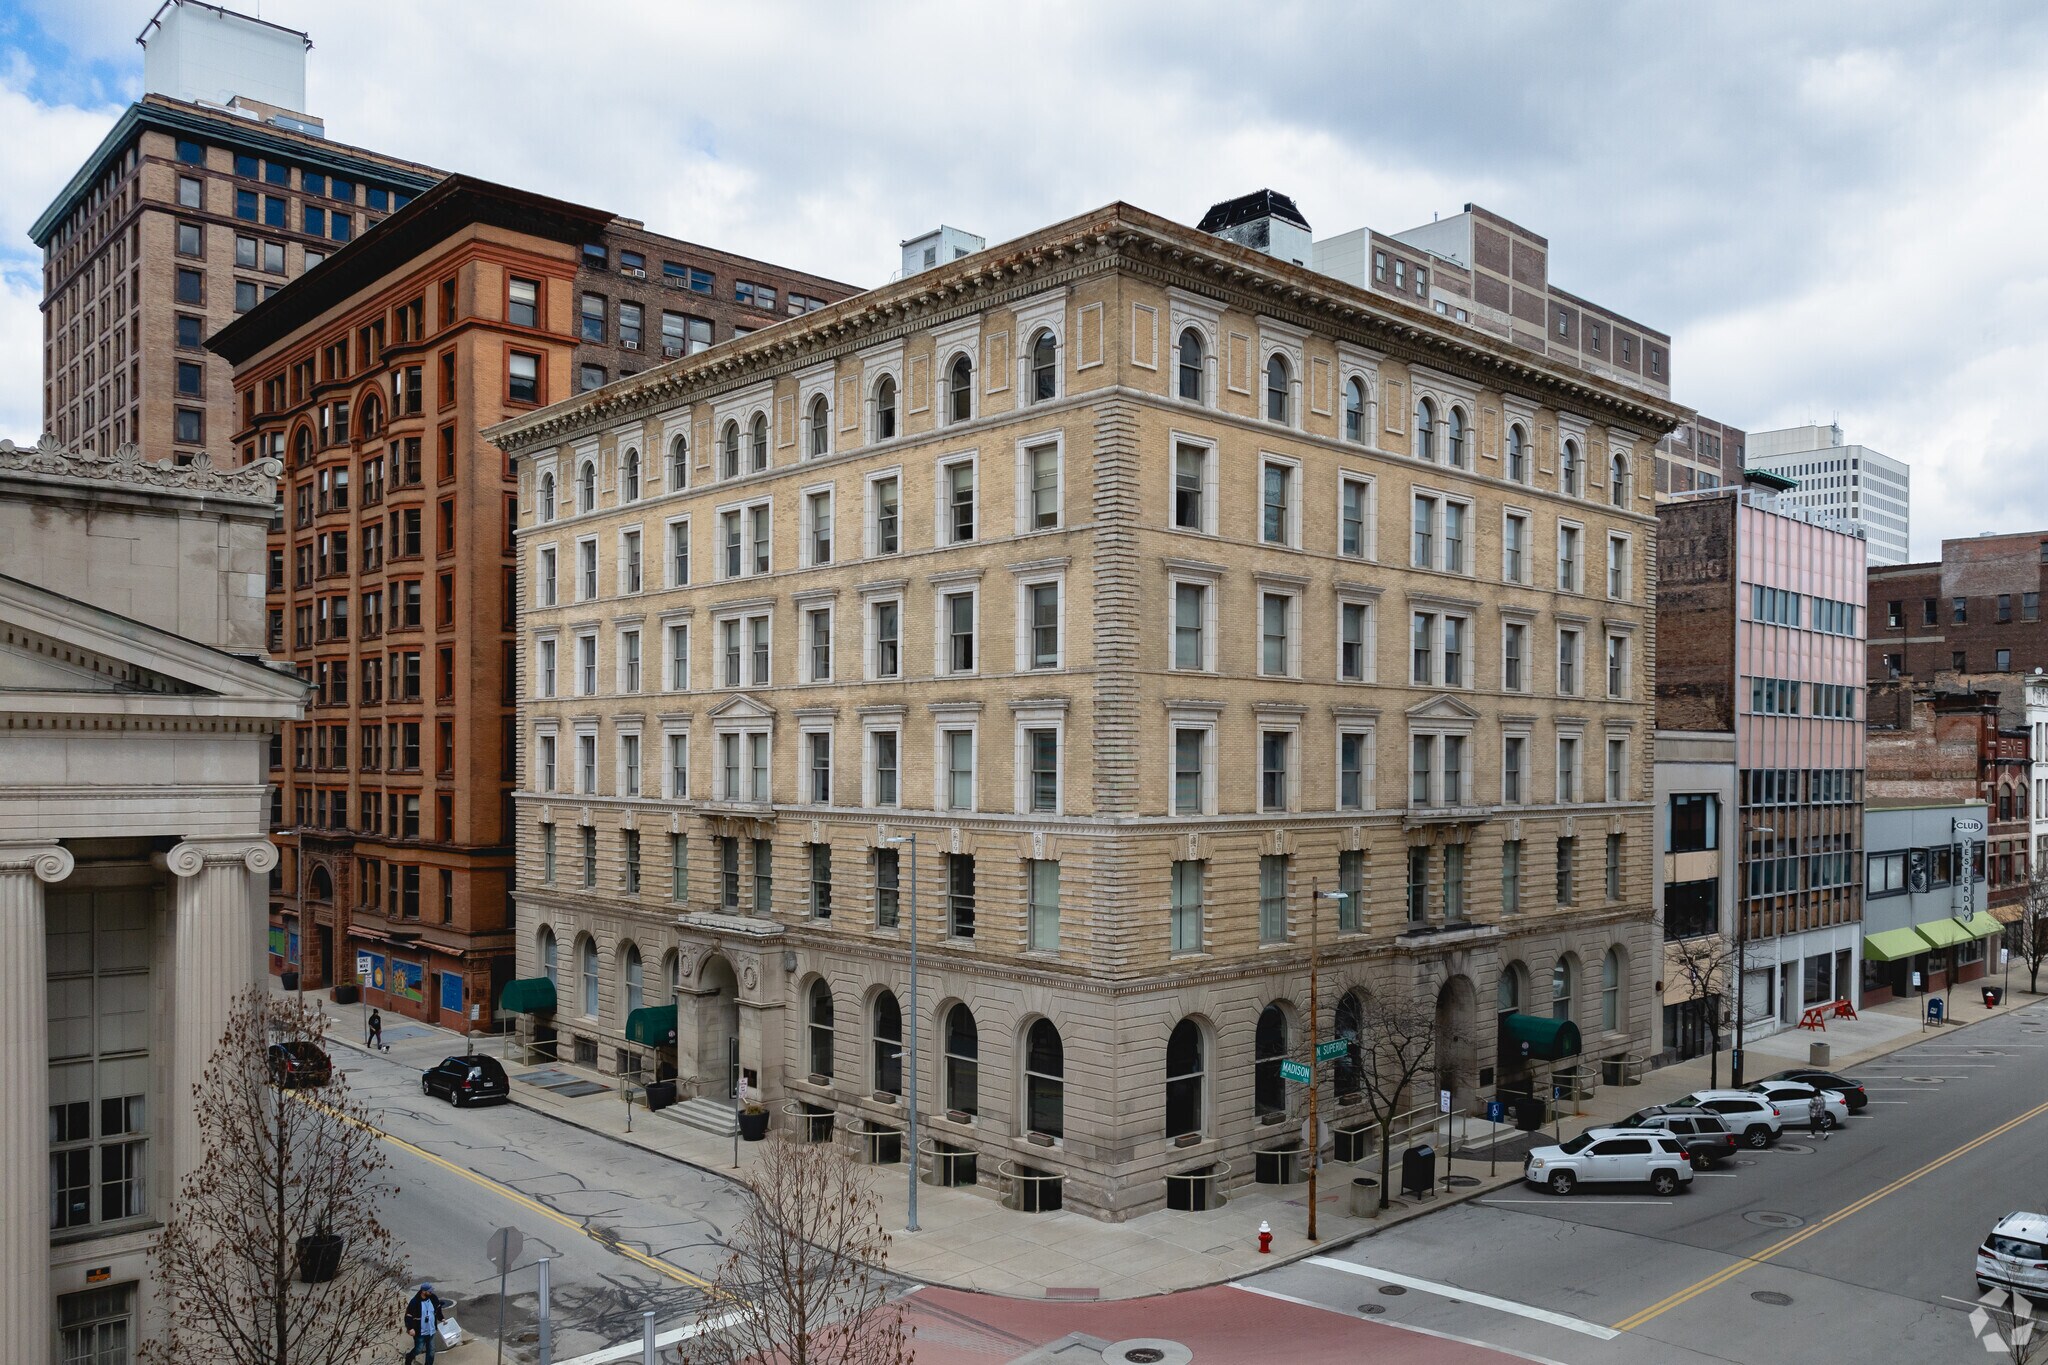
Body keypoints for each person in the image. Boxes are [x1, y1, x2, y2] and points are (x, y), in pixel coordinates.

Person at [403, 1282, 448, 1363]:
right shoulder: (415, 1302)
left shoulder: (433, 1298)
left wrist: (442, 1319)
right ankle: (409, 1357)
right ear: (423, 1291)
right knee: (418, 1349)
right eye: (429, 1291)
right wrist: (410, 1328)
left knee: (431, 1351)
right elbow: (408, 1316)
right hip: (420, 1332)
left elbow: (438, 1309)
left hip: (431, 1330)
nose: (431, 1292)